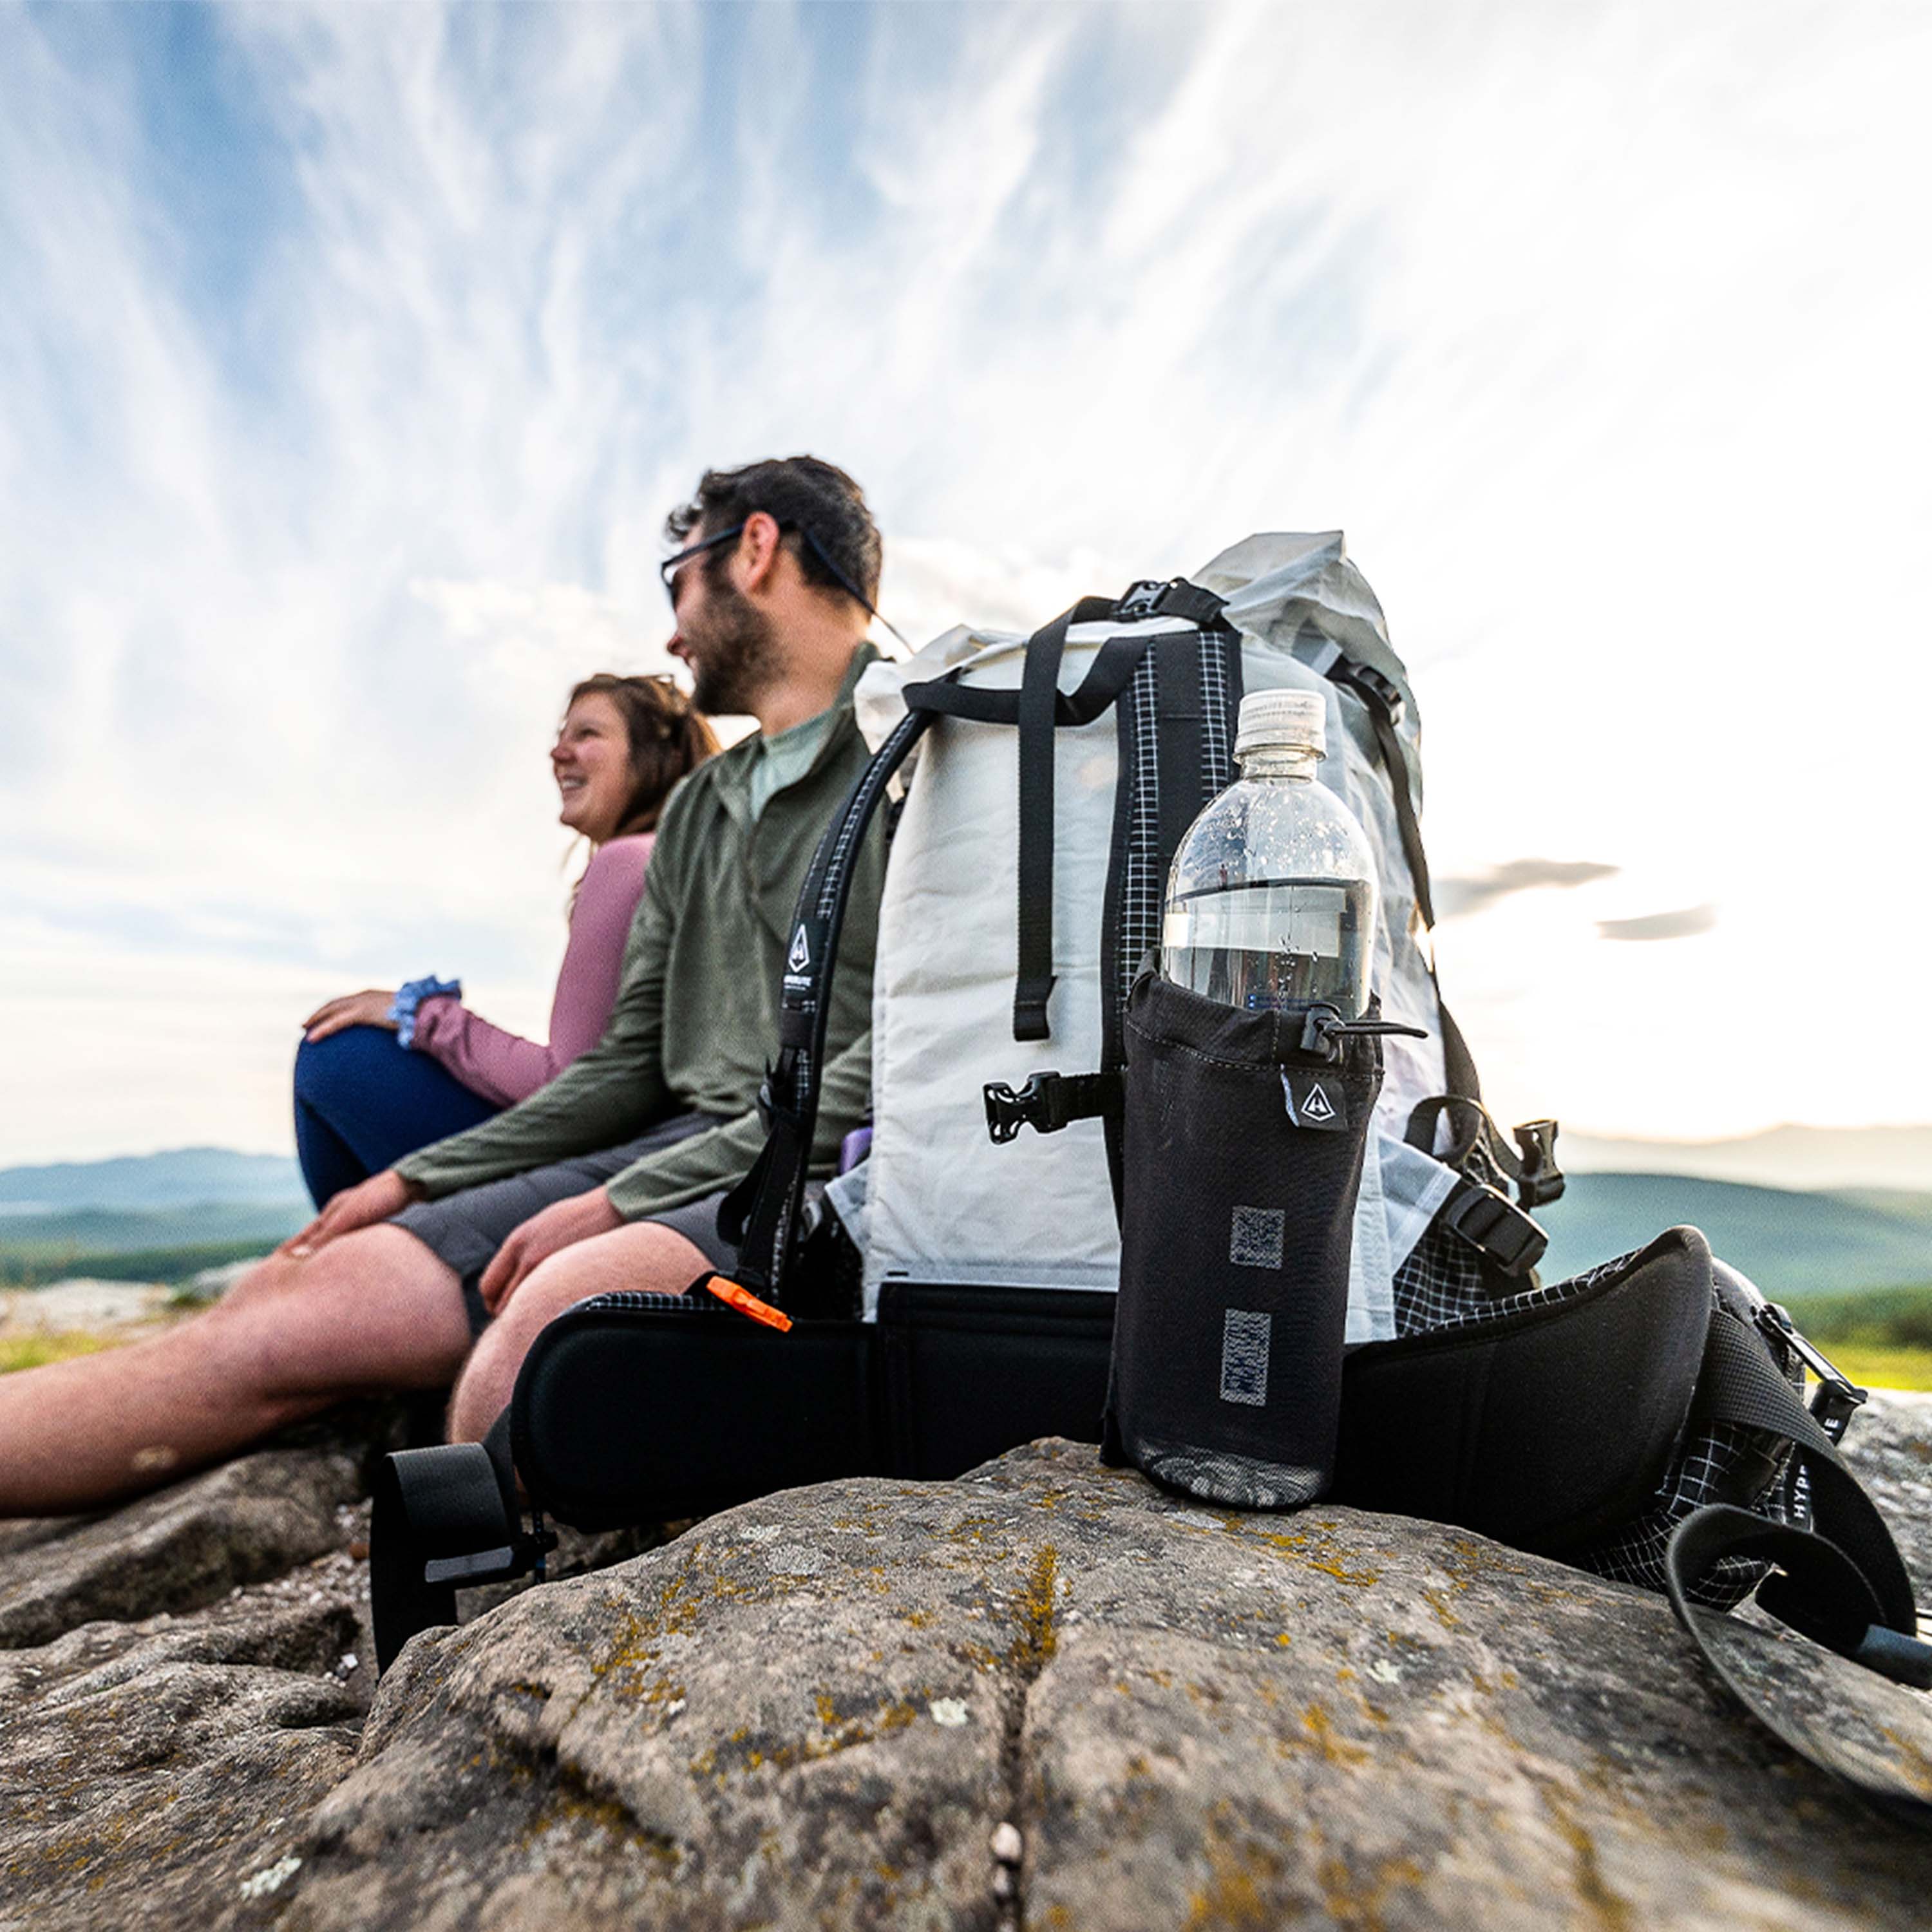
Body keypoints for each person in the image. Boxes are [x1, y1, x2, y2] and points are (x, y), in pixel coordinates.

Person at [0, 456, 890, 1516]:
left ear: (752, 549)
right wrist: (417, 1180)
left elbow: (899, 1062)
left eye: (677, 580)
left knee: (533, 1356)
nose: (669, 631)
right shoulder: (701, 808)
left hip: (820, 1171)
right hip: (673, 1145)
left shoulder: (921, 744)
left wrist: (617, 1204)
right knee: (288, 1300)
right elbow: (620, 1067)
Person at [290, 674, 717, 1206]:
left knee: (335, 1056)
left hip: (604, 1166)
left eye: (587, 734)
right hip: (657, 1154)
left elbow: (568, 1084)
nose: (558, 753)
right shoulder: (688, 861)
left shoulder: (628, 861)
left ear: (655, 751)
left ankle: (349, 1259)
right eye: (562, 736)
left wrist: (423, 1016)